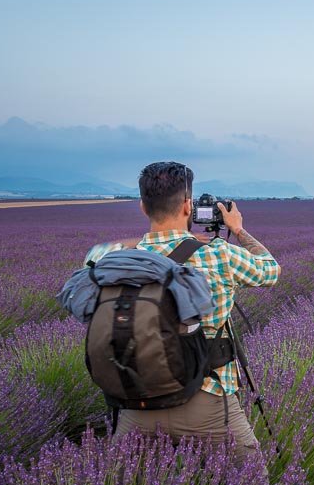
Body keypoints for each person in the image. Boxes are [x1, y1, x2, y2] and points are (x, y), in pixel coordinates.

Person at [83, 161, 280, 464]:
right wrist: (237, 230)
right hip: (208, 403)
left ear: (142, 207)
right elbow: (270, 270)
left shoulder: (111, 259)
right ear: (188, 206)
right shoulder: (219, 253)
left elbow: (94, 254)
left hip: (136, 406)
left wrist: (149, 241)